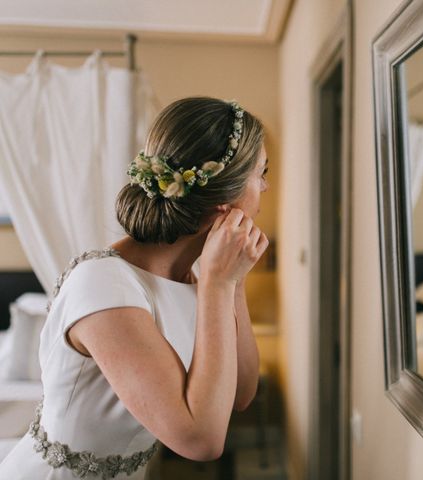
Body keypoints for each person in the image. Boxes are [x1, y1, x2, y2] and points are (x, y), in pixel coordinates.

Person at [0, 96, 270, 479]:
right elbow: (201, 441)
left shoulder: (199, 280)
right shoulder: (105, 286)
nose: (266, 186)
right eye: (261, 173)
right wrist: (219, 284)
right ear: (225, 199)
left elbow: (241, 393)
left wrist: (233, 280)